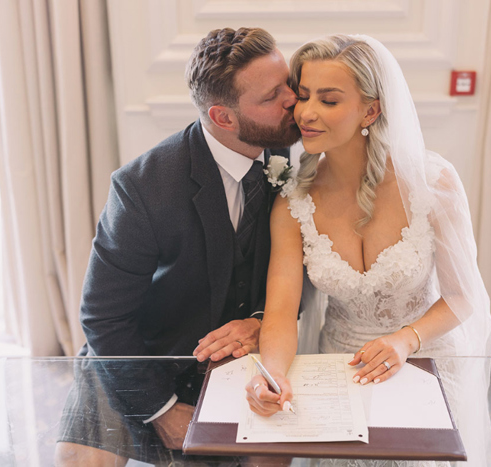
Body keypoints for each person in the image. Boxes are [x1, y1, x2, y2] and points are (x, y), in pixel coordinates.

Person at [245, 35, 491, 466]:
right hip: (340, 370)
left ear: (371, 109)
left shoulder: (433, 183)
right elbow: (281, 314)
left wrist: (405, 340)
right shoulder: (292, 204)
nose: (306, 113)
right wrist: (272, 374)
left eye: (329, 100)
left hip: (425, 358)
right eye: (303, 96)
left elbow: (464, 297)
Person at [55, 27, 300, 465]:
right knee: (78, 460)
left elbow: (318, 257)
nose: (292, 101)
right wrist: (160, 411)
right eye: (271, 96)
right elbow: (103, 316)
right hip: (141, 352)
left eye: (288, 83)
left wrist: (265, 318)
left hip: (236, 356)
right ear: (223, 117)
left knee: (271, 456)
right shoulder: (142, 188)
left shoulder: (299, 150)